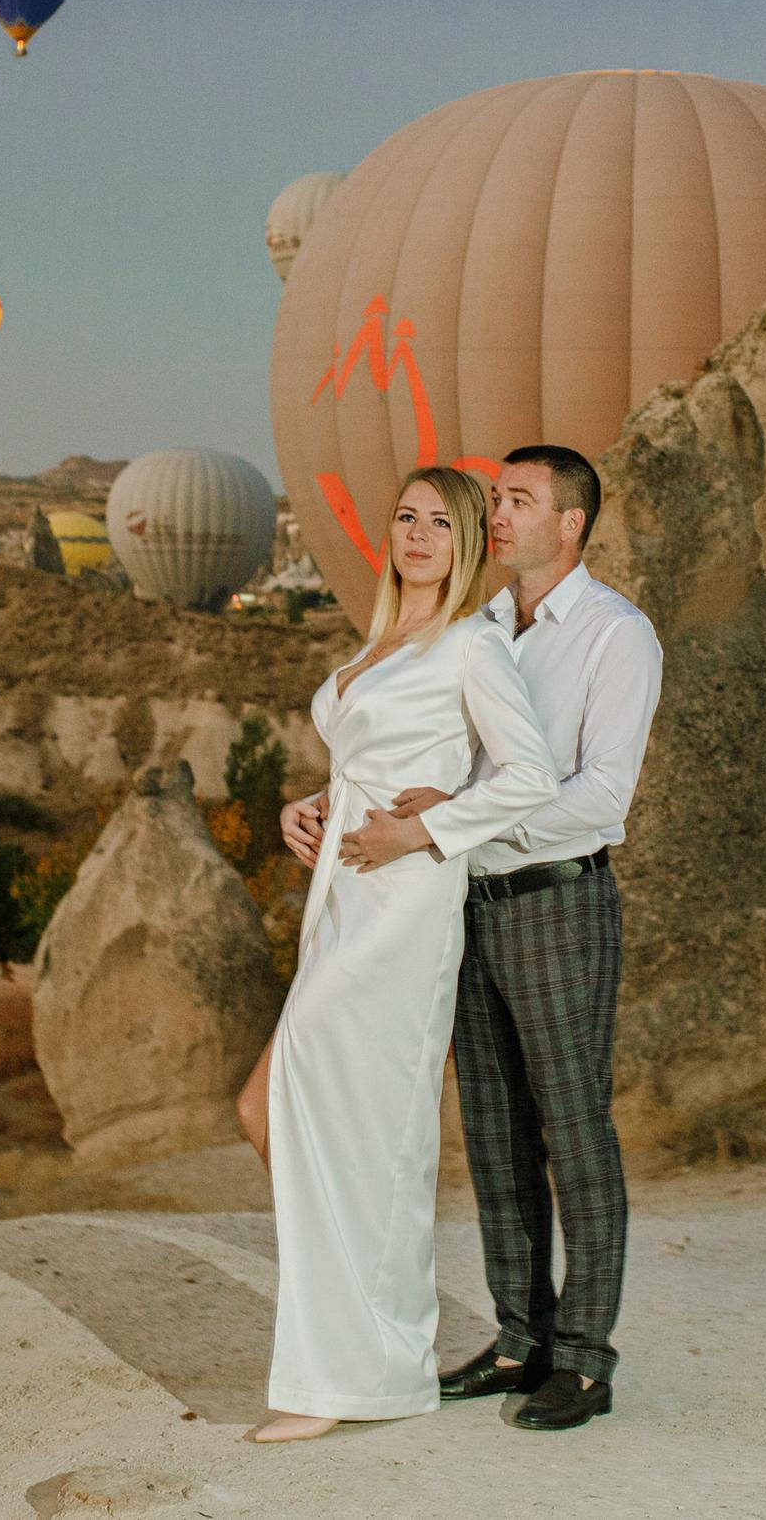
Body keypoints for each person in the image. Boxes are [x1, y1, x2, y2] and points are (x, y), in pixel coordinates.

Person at [283, 445, 662, 1432]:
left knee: (572, 1129)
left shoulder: (614, 636)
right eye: (490, 500)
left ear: (570, 522)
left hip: (552, 896)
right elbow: (427, 755)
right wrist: (339, 802)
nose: (495, 515)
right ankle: (516, 1338)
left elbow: (598, 797)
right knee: (492, 1134)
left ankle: (582, 1357)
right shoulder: (477, 622)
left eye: (517, 501)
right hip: (456, 902)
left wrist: (450, 819)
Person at [231, 465, 558, 1445]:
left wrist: (425, 832)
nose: (417, 535)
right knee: (313, 1122)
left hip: (403, 910)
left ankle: (349, 1370)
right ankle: (370, 1358)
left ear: (466, 544)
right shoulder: (378, 644)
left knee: (295, 1112)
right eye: (404, 517)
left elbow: (531, 775)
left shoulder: (470, 647)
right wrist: (309, 805)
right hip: (340, 895)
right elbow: (364, 765)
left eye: (440, 523)